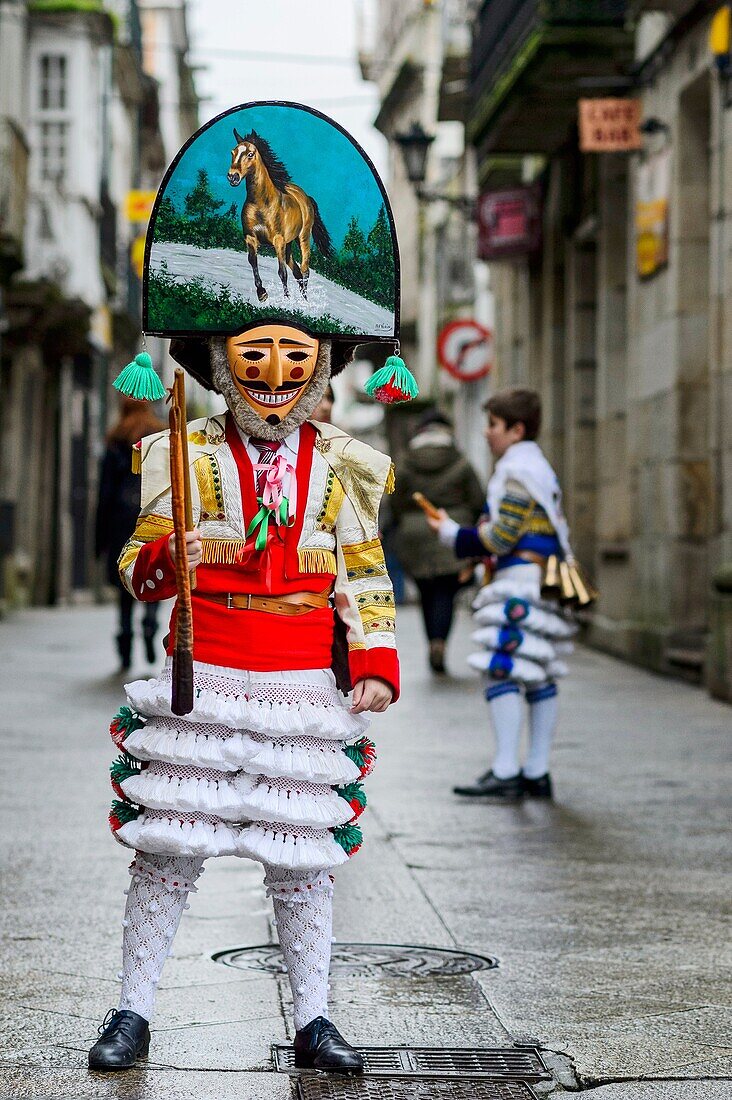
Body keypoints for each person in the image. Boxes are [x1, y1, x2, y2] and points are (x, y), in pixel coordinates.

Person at [89, 101, 415, 1077]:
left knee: (303, 860)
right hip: (205, 670)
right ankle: (131, 1010)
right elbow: (142, 556)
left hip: (301, 679)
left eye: (294, 354)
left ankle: (315, 1017)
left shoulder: (349, 464)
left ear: (322, 365)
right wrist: (155, 565)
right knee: (168, 855)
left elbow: (365, 571)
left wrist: (380, 658)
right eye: (255, 351)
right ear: (223, 361)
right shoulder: (175, 452)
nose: (274, 370)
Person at [427, 388, 577, 801]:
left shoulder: (517, 470)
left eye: (493, 425)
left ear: (516, 429)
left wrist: (453, 534)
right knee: (540, 675)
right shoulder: (537, 467)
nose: (487, 433)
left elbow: (503, 535)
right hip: (540, 581)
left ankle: (507, 769)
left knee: (502, 668)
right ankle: (536, 770)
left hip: (519, 585)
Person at [391, 410, 484, 672]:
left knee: (427, 591)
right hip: (452, 532)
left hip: (414, 534)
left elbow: (395, 500)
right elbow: (477, 500)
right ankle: (440, 642)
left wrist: (405, 523)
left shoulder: (406, 462)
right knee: (446, 591)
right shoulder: (461, 461)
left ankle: (433, 640)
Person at [95, 397, 164, 671]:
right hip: (152, 514)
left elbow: (105, 493)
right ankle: (150, 622)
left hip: (121, 519)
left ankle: (125, 640)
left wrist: (99, 541)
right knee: (155, 573)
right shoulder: (159, 436)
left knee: (126, 582)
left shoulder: (114, 439)